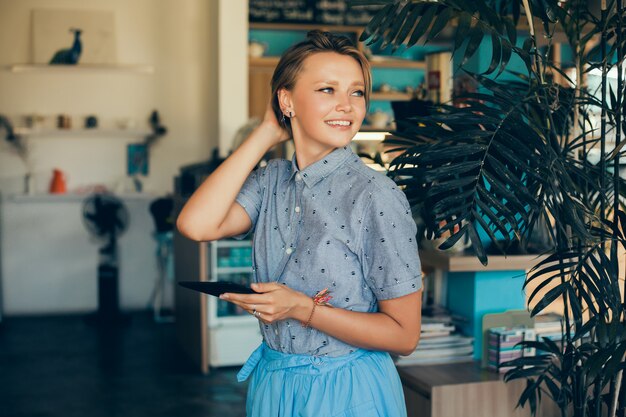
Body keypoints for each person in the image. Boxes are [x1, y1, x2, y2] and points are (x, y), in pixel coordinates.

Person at [177, 30, 422, 417]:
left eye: (356, 92)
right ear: (286, 100)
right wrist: (264, 133)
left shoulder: (375, 195)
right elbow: (196, 225)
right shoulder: (271, 180)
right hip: (274, 383)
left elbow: (405, 336)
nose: (347, 106)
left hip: (348, 390)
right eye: (328, 89)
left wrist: (301, 309)